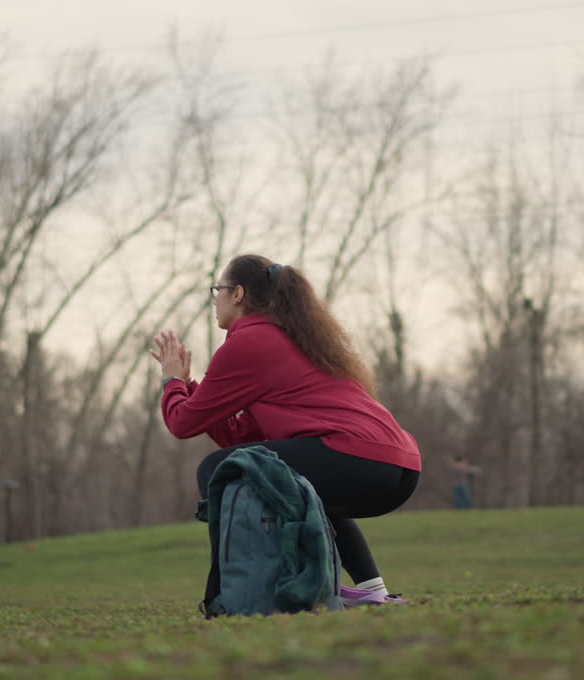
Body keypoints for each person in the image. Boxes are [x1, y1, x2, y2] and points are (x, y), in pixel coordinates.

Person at [151, 254, 421, 606]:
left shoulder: (249, 342)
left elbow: (182, 423)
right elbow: (242, 441)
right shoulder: (293, 337)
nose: (214, 300)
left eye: (218, 290)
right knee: (294, 482)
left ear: (237, 294)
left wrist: (172, 381)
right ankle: (371, 592)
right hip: (398, 466)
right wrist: (188, 387)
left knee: (216, 469)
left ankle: (257, 584)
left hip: (358, 458)